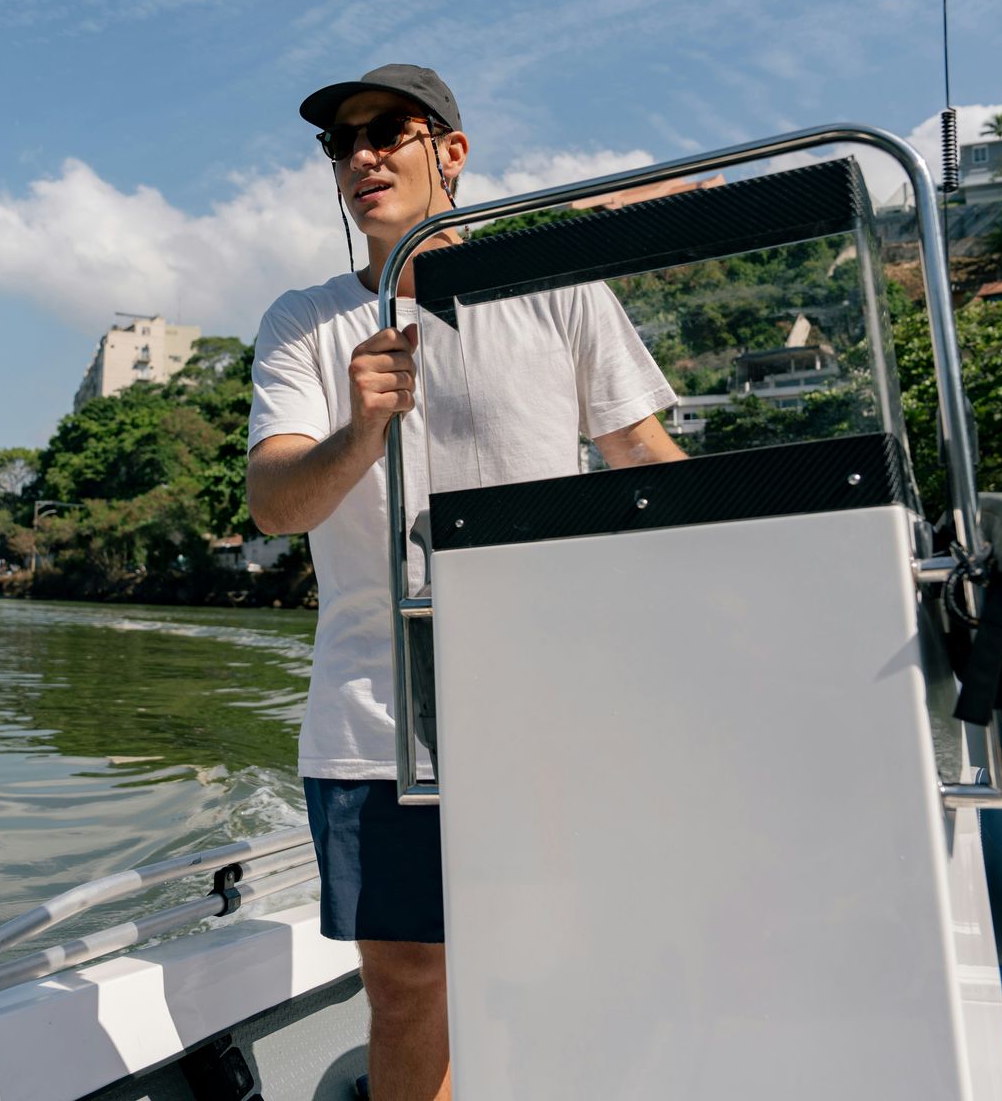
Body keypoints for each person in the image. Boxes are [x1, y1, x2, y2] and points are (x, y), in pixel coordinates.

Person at [245, 65, 689, 1101]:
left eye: (385, 132)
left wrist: (783, 566)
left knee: (561, 972)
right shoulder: (305, 322)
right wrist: (363, 426)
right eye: (340, 143)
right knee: (405, 990)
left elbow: (644, 458)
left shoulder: (558, 288)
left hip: (552, 705)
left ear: (451, 150)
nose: (360, 157)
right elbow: (276, 504)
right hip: (373, 711)